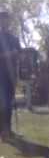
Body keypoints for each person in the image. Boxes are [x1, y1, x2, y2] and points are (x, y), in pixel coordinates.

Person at [0, 11, 21, 141]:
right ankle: (4, 131)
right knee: (4, 103)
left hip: (11, 74)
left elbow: (19, 54)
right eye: (2, 20)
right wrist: (7, 55)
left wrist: (17, 55)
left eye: (6, 20)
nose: (4, 22)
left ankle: (7, 129)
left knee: (9, 102)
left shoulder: (14, 39)